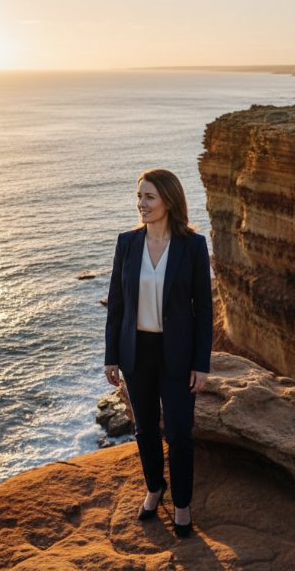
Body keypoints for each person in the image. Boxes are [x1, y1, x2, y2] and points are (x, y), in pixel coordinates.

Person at [104, 168, 212, 538]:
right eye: (139, 197)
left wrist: (201, 363)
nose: (142, 204)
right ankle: (155, 488)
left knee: (180, 433)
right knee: (144, 428)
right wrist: (111, 356)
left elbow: (204, 309)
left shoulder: (192, 246)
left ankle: (182, 504)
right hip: (137, 351)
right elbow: (116, 304)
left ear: (168, 199)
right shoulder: (127, 243)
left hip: (177, 353)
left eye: (149, 197)